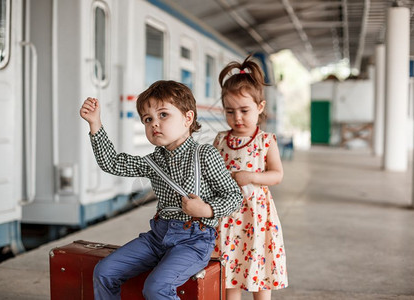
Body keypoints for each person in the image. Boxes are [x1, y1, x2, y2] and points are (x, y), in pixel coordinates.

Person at [79, 80, 243, 300]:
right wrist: (95, 124)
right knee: (104, 271)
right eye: (148, 119)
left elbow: (234, 196)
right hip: (158, 236)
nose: (154, 124)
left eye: (163, 115)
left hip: (194, 241)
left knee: (156, 288)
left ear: (188, 118)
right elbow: (113, 163)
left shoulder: (204, 155)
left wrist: (206, 209)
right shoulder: (152, 161)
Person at [213, 55, 288, 300]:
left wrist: (251, 177)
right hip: (228, 217)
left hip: (256, 215)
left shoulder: (266, 141)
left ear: (260, 107)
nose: (237, 118)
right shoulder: (221, 140)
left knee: (259, 263)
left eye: (244, 110)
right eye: (230, 111)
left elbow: (276, 175)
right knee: (230, 268)